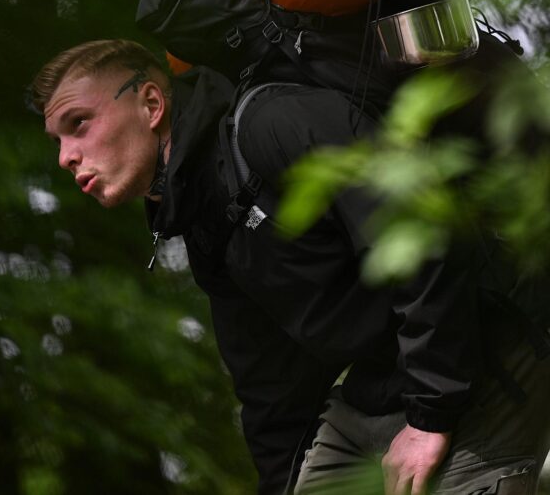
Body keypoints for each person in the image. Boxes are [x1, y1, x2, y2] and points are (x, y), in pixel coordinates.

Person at [30, 38, 550, 495]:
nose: (65, 157)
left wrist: (432, 416)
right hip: (385, 383)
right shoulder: (202, 217)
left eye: (79, 125)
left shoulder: (269, 124)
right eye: (58, 141)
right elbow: (269, 386)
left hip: (490, 334)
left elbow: (421, 231)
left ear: (150, 103)